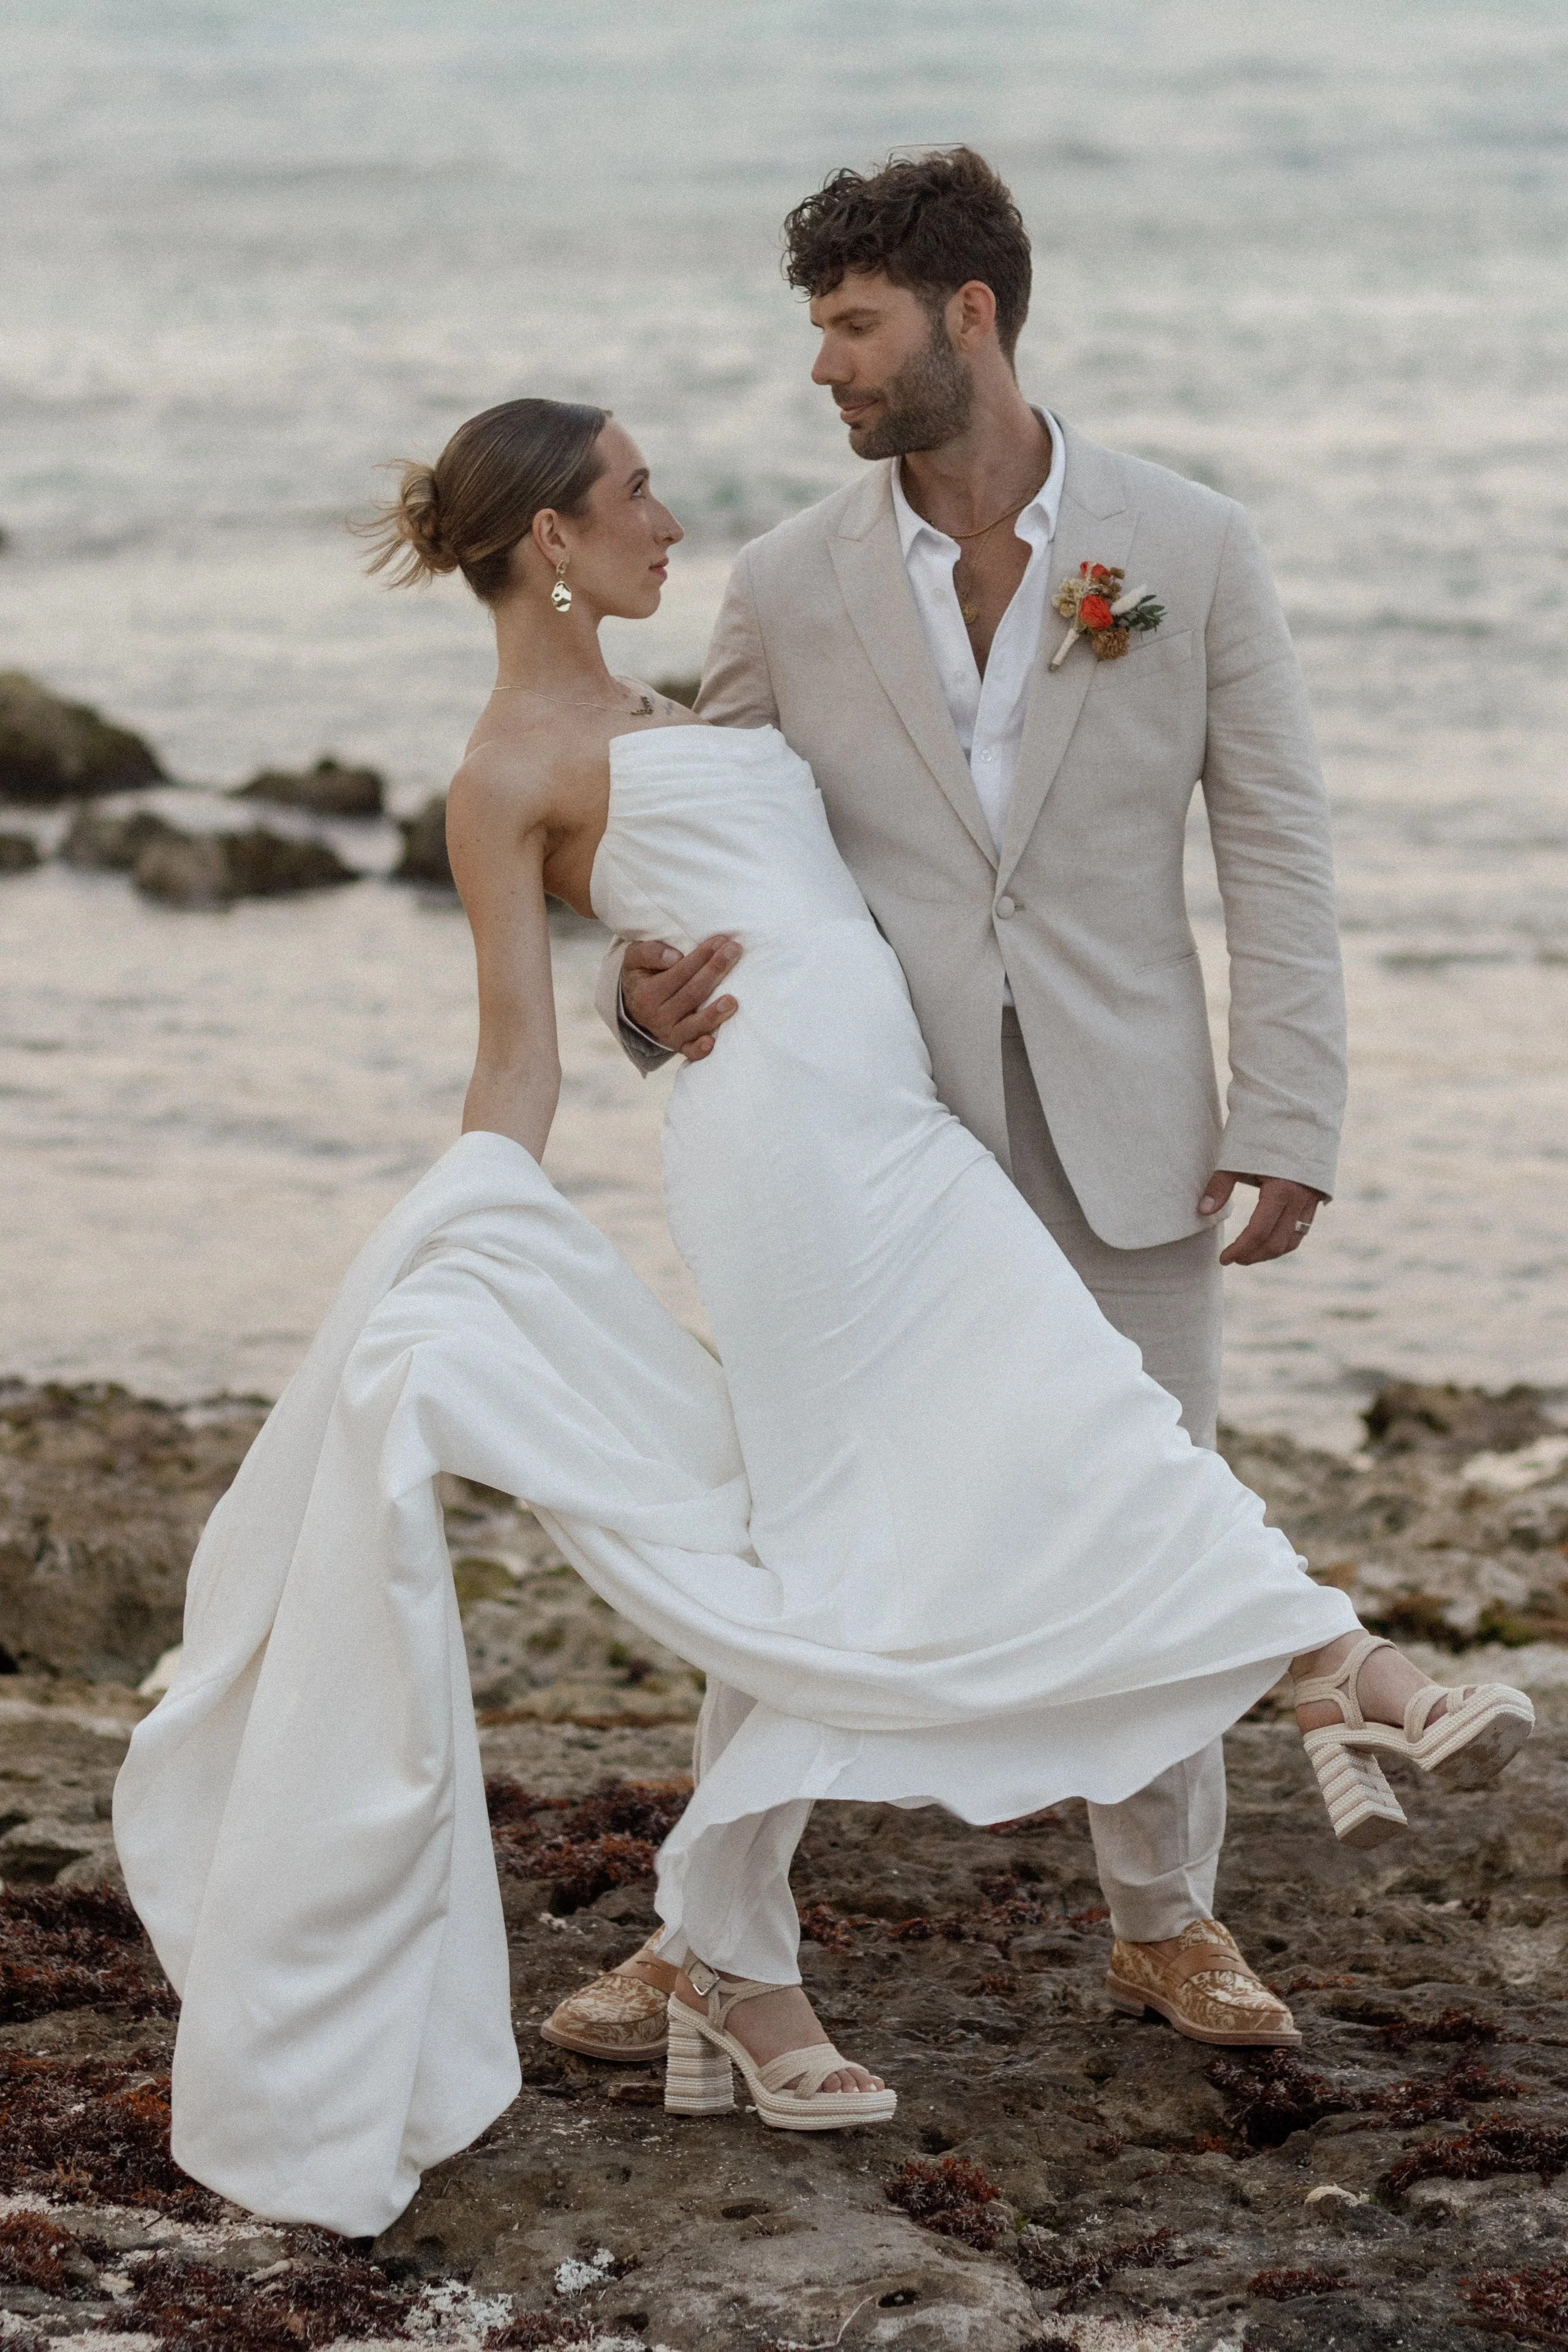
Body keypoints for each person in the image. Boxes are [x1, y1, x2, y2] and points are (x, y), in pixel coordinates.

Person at [114, 393, 1533, 2242]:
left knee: (1016, 1439)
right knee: (965, 1458)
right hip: (788, 1156)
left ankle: (770, 1941)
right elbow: (518, 1054)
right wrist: (470, 1224)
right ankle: (1327, 1669)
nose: (668, 518)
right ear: (549, 538)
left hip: (911, 1120)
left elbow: (799, 865)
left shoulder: (681, 708)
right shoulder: (507, 771)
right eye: (632, 495)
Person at [557, 146, 1351, 2065]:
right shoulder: (791, 580)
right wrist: (641, 997)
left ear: (966, 315)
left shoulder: (1188, 543)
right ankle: (701, 1933)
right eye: (819, 328)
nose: (822, 368)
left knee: (1150, 1501)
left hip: (1127, 1124)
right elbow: (692, 828)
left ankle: (1163, 1921)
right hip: (868, 1131)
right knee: (813, 1519)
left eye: (851, 325)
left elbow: (1274, 845)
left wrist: (1290, 1110)